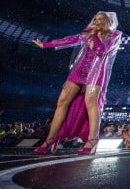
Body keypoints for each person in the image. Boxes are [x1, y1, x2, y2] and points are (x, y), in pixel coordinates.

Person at [32, 11, 122, 155]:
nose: (97, 21)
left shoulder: (114, 35)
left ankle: (92, 139)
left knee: (91, 103)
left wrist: (95, 35)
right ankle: (50, 140)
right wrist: (45, 45)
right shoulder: (88, 33)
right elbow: (68, 40)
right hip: (80, 71)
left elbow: (101, 50)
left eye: (101, 19)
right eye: (96, 19)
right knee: (62, 101)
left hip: (96, 72)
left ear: (107, 21)